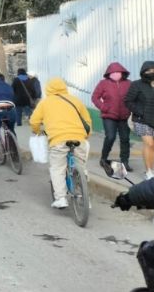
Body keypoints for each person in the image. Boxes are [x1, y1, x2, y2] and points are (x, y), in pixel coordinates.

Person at [29, 77, 92, 209]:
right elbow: (87, 120)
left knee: (57, 168)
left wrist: (37, 131)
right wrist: (86, 135)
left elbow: (34, 121)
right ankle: (85, 198)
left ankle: (61, 198)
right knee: (81, 167)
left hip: (58, 139)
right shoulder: (75, 100)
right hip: (79, 139)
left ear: (48, 89)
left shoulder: (45, 102)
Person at [91, 62, 132, 170]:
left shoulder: (129, 83)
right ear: (109, 73)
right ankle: (103, 158)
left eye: (118, 72)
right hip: (109, 115)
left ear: (123, 72)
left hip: (125, 116)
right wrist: (103, 107)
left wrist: (131, 109)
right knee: (110, 137)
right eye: (113, 72)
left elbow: (134, 97)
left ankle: (125, 162)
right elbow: (95, 97)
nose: (115, 74)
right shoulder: (103, 83)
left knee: (125, 139)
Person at [125, 61, 154, 180]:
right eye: (148, 70)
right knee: (149, 143)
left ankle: (151, 168)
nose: (152, 72)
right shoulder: (137, 85)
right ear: (143, 72)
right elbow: (128, 101)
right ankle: (148, 171)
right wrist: (141, 112)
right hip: (141, 119)